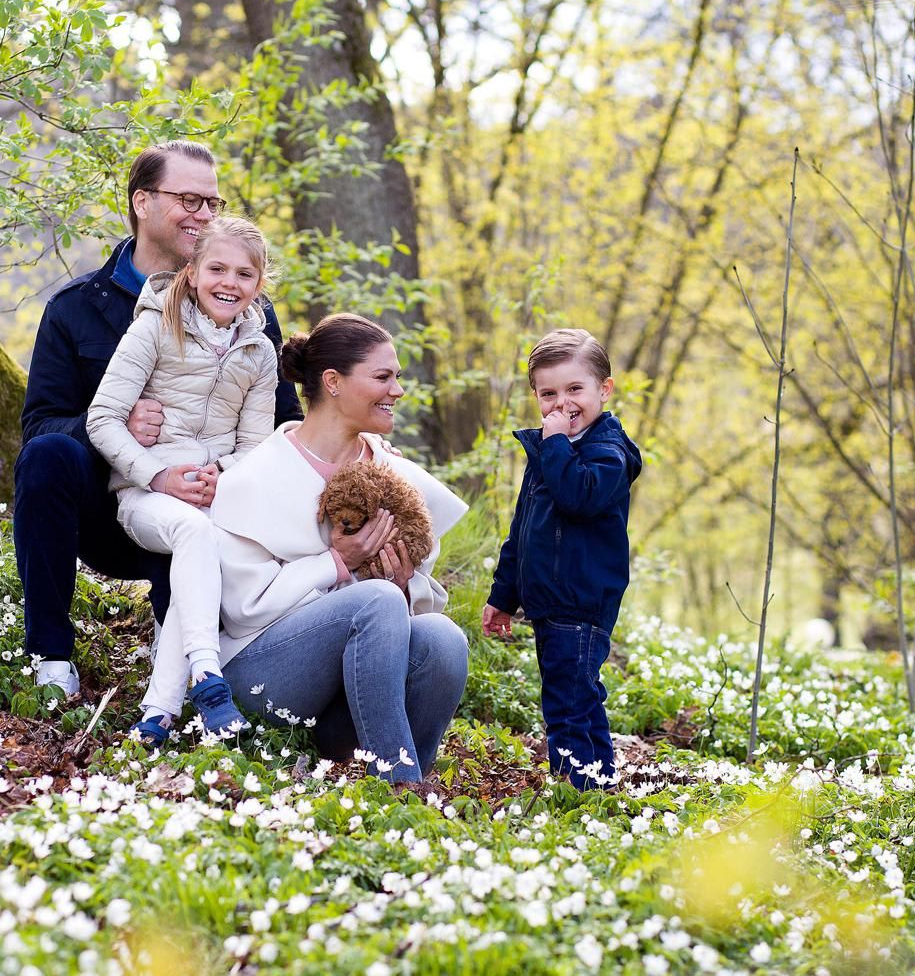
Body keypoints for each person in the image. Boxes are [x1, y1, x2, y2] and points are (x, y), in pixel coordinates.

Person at [14, 140, 302, 695]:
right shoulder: (75, 308)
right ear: (142, 201)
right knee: (48, 455)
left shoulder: (250, 316)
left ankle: (186, 638)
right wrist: (126, 429)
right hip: (111, 504)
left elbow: (280, 420)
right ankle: (50, 656)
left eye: (213, 203)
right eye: (189, 199)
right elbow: (42, 424)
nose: (204, 214)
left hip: (209, 502)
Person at [209, 313, 470, 784]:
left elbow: (412, 603)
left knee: (443, 638)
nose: (398, 390)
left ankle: (403, 780)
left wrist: (404, 584)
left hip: (349, 698)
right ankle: (401, 787)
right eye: (383, 377)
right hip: (263, 678)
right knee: (377, 600)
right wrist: (336, 564)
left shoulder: (393, 473)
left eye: (398, 377)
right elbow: (243, 611)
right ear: (333, 382)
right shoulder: (256, 475)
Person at [86, 217, 275, 742]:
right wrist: (158, 475)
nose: (228, 283)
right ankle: (209, 679)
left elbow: (255, 447)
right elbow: (101, 418)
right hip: (147, 497)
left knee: (208, 545)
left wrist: (224, 474)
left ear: (259, 284)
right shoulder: (153, 326)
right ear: (191, 273)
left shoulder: (259, 353)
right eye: (217, 269)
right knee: (195, 534)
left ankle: (157, 714)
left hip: (214, 499)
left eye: (244, 274)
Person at [482, 328, 642, 791]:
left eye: (575, 389)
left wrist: (553, 445)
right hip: (551, 601)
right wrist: (503, 595)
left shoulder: (607, 452)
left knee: (567, 703)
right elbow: (523, 529)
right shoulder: (550, 451)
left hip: (582, 598)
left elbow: (579, 498)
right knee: (579, 698)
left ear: (603, 389)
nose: (561, 403)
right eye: (548, 393)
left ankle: (577, 791)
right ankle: (598, 784)